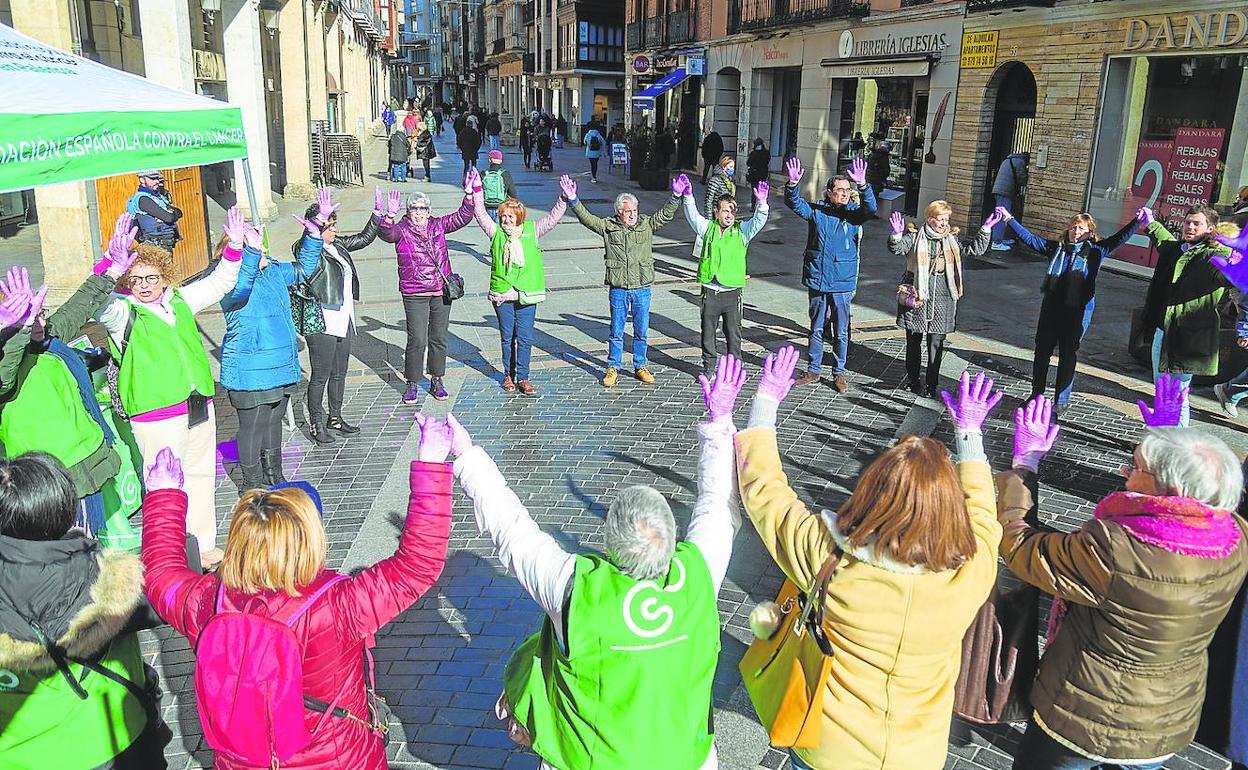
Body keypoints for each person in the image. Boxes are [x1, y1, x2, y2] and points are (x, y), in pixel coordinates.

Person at [453, 354, 744, 770]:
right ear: (671, 539)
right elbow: (716, 505)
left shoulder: (576, 589)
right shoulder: (699, 573)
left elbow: (513, 530)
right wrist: (719, 421)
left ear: (609, 546)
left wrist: (466, 456)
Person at [735, 350, 1006, 770]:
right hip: (917, 756)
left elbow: (766, 493)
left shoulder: (830, 560)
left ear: (872, 492)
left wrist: (766, 399)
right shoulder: (970, 573)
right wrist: (969, 434)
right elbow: (985, 517)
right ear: (951, 507)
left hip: (827, 749)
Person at [139, 412, 453, 770]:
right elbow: (417, 565)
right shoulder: (337, 606)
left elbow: (161, 574)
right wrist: (430, 462)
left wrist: (164, 494)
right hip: (338, 760)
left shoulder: (209, 600)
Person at [998, 380, 1248, 770]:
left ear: (1170, 491)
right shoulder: (1235, 537)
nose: (1123, 470)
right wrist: (1170, 441)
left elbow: (1021, 548)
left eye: (1135, 467)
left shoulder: (1114, 548)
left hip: (1082, 717)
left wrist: (1024, 467)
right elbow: (1159, 521)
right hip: (1163, 722)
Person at [96, 210, 246, 569]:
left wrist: (236, 246)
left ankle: (204, 544)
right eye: (136, 280)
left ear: (165, 277)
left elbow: (219, 283)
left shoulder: (179, 300)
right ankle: (171, 553)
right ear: (127, 284)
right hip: (156, 412)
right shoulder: (123, 313)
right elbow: (97, 304)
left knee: (199, 473)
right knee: (164, 484)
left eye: (152, 277)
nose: (145, 285)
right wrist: (108, 265)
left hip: (197, 404)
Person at [0, 452, 169, 769]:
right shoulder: (104, 574)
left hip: (18, 756)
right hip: (113, 740)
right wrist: (163, 498)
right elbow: (166, 595)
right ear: (65, 510)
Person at [0, 216, 135, 537]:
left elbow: (78, 307)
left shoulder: (47, 339)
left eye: (36, 311)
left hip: (85, 466)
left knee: (90, 550)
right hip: (43, 482)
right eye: (25, 315)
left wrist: (111, 269)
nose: (37, 320)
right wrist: (13, 331)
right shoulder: (7, 361)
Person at [998, 205, 1144, 415]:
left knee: (1068, 355)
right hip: (1051, 310)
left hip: (1077, 312)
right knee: (1042, 353)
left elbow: (1119, 238)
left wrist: (1137, 222)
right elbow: (1030, 239)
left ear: (1090, 233)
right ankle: (1036, 394)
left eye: (1082, 229)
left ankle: (1061, 401)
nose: (1076, 231)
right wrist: (1009, 218)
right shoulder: (1056, 249)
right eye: (1074, 227)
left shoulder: (1096, 251)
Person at [219, 204, 315, 492]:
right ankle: (251, 483)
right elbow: (241, 290)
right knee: (253, 425)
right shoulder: (228, 279)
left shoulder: (272, 271)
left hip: (280, 365)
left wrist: (312, 235)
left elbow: (304, 270)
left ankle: (275, 474)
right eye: (252, 243)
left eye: (259, 243)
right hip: (250, 367)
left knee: (273, 420)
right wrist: (247, 254)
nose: (260, 247)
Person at [561, 174, 681, 388]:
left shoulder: (646, 224)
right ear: (619, 212)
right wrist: (573, 200)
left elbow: (664, 216)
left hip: (642, 287)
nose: (632, 214)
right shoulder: (608, 226)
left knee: (641, 330)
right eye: (628, 211)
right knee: (616, 331)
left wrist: (676, 196)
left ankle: (640, 365)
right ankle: (613, 367)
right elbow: (588, 219)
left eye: (634, 210)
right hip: (619, 288)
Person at [784, 156, 878, 393]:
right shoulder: (818, 210)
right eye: (840, 190)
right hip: (817, 276)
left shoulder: (854, 213)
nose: (845, 194)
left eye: (848, 190)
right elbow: (795, 204)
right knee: (816, 327)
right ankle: (814, 370)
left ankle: (839, 372)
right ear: (829, 192)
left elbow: (871, 209)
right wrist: (792, 185)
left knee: (841, 329)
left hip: (842, 280)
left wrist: (864, 185)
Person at [471, 169, 567, 396]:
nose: (505, 220)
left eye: (510, 217)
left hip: (526, 293)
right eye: (503, 216)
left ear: (519, 218)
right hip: (503, 293)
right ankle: (508, 374)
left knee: (524, 337)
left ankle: (523, 377)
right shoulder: (495, 232)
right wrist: (476, 191)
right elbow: (480, 214)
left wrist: (563, 199)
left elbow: (552, 219)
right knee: (507, 337)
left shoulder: (531, 231)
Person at [297, 188, 382, 444]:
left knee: (339, 373)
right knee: (320, 374)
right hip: (322, 321)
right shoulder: (308, 250)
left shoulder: (336, 246)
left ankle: (335, 417)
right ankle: (316, 424)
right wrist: (318, 223)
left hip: (343, 319)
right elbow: (303, 251)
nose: (334, 230)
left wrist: (379, 214)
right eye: (329, 226)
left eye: (334, 225)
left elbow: (364, 238)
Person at [888, 202, 998, 398]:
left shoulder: (951, 239)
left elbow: (974, 250)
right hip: (917, 295)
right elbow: (897, 248)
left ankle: (931, 385)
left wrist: (986, 229)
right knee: (913, 342)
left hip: (942, 298)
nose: (944, 223)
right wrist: (896, 235)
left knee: (936, 345)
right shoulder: (914, 237)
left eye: (946, 219)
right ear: (930, 219)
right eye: (940, 219)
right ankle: (913, 380)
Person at [379, 183, 474, 406]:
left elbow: (462, 217)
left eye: (422, 208)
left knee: (439, 338)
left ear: (429, 211)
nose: (419, 212)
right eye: (414, 208)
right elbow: (386, 233)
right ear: (408, 211)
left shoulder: (438, 225)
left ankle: (437, 379)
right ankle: (412, 382)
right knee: (417, 339)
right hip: (415, 292)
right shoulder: (401, 229)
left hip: (441, 290)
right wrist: (389, 216)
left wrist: (469, 195)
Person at [1139, 204, 1234, 426]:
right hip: (1163, 333)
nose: (1190, 227)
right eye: (1187, 222)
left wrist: (1236, 265)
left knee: (1179, 395)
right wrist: (1150, 222)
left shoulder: (1215, 254)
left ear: (1210, 228)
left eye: (1196, 223)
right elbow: (1165, 242)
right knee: (1163, 391)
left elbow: (1227, 277)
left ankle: (1177, 445)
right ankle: (1163, 438)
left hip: (1189, 339)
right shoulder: (1179, 249)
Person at [679, 173, 769, 376]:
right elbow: (693, 216)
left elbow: (759, 221)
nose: (729, 215)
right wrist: (688, 196)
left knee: (733, 333)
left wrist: (762, 203)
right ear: (716, 212)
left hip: (732, 292)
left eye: (733, 211)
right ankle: (709, 367)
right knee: (708, 333)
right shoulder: (708, 228)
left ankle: (735, 367)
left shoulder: (742, 231)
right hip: (710, 291)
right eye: (725, 211)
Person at [125, 170, 182, 254]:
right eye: (153, 178)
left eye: (158, 178)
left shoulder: (157, 197)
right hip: (155, 247)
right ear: (142, 180)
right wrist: (171, 214)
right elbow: (169, 218)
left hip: (163, 245)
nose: (157, 181)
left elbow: (179, 212)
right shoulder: (143, 199)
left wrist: (171, 213)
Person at [991, 151, 1029, 250]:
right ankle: (996, 242)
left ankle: (1000, 238)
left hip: (1000, 190)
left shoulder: (1009, 159)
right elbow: (1022, 179)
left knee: (1003, 215)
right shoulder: (1020, 162)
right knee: (1002, 216)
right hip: (1005, 192)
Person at [481, 150, 519, 221]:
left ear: (489, 160)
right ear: (501, 161)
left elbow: (478, 191)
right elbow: (512, 192)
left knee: (489, 229)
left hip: (487, 206)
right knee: (500, 229)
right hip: (501, 206)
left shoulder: (484, 173)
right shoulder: (505, 174)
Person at [746, 138, 771, 212]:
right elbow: (768, 161)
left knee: (754, 191)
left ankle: (753, 206)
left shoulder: (754, 153)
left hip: (754, 175)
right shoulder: (766, 153)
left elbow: (748, 163)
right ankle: (761, 204)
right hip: (763, 174)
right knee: (762, 190)